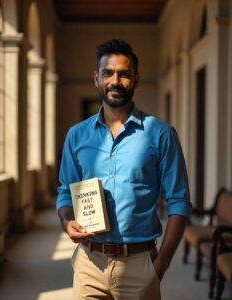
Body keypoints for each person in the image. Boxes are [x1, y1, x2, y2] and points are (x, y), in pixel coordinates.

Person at [57, 39, 192, 300]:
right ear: (96, 78)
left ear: (136, 79)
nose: (115, 81)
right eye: (108, 73)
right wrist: (66, 221)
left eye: (124, 74)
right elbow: (65, 190)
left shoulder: (161, 134)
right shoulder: (76, 135)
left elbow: (179, 202)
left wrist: (161, 265)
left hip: (140, 265)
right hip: (88, 264)